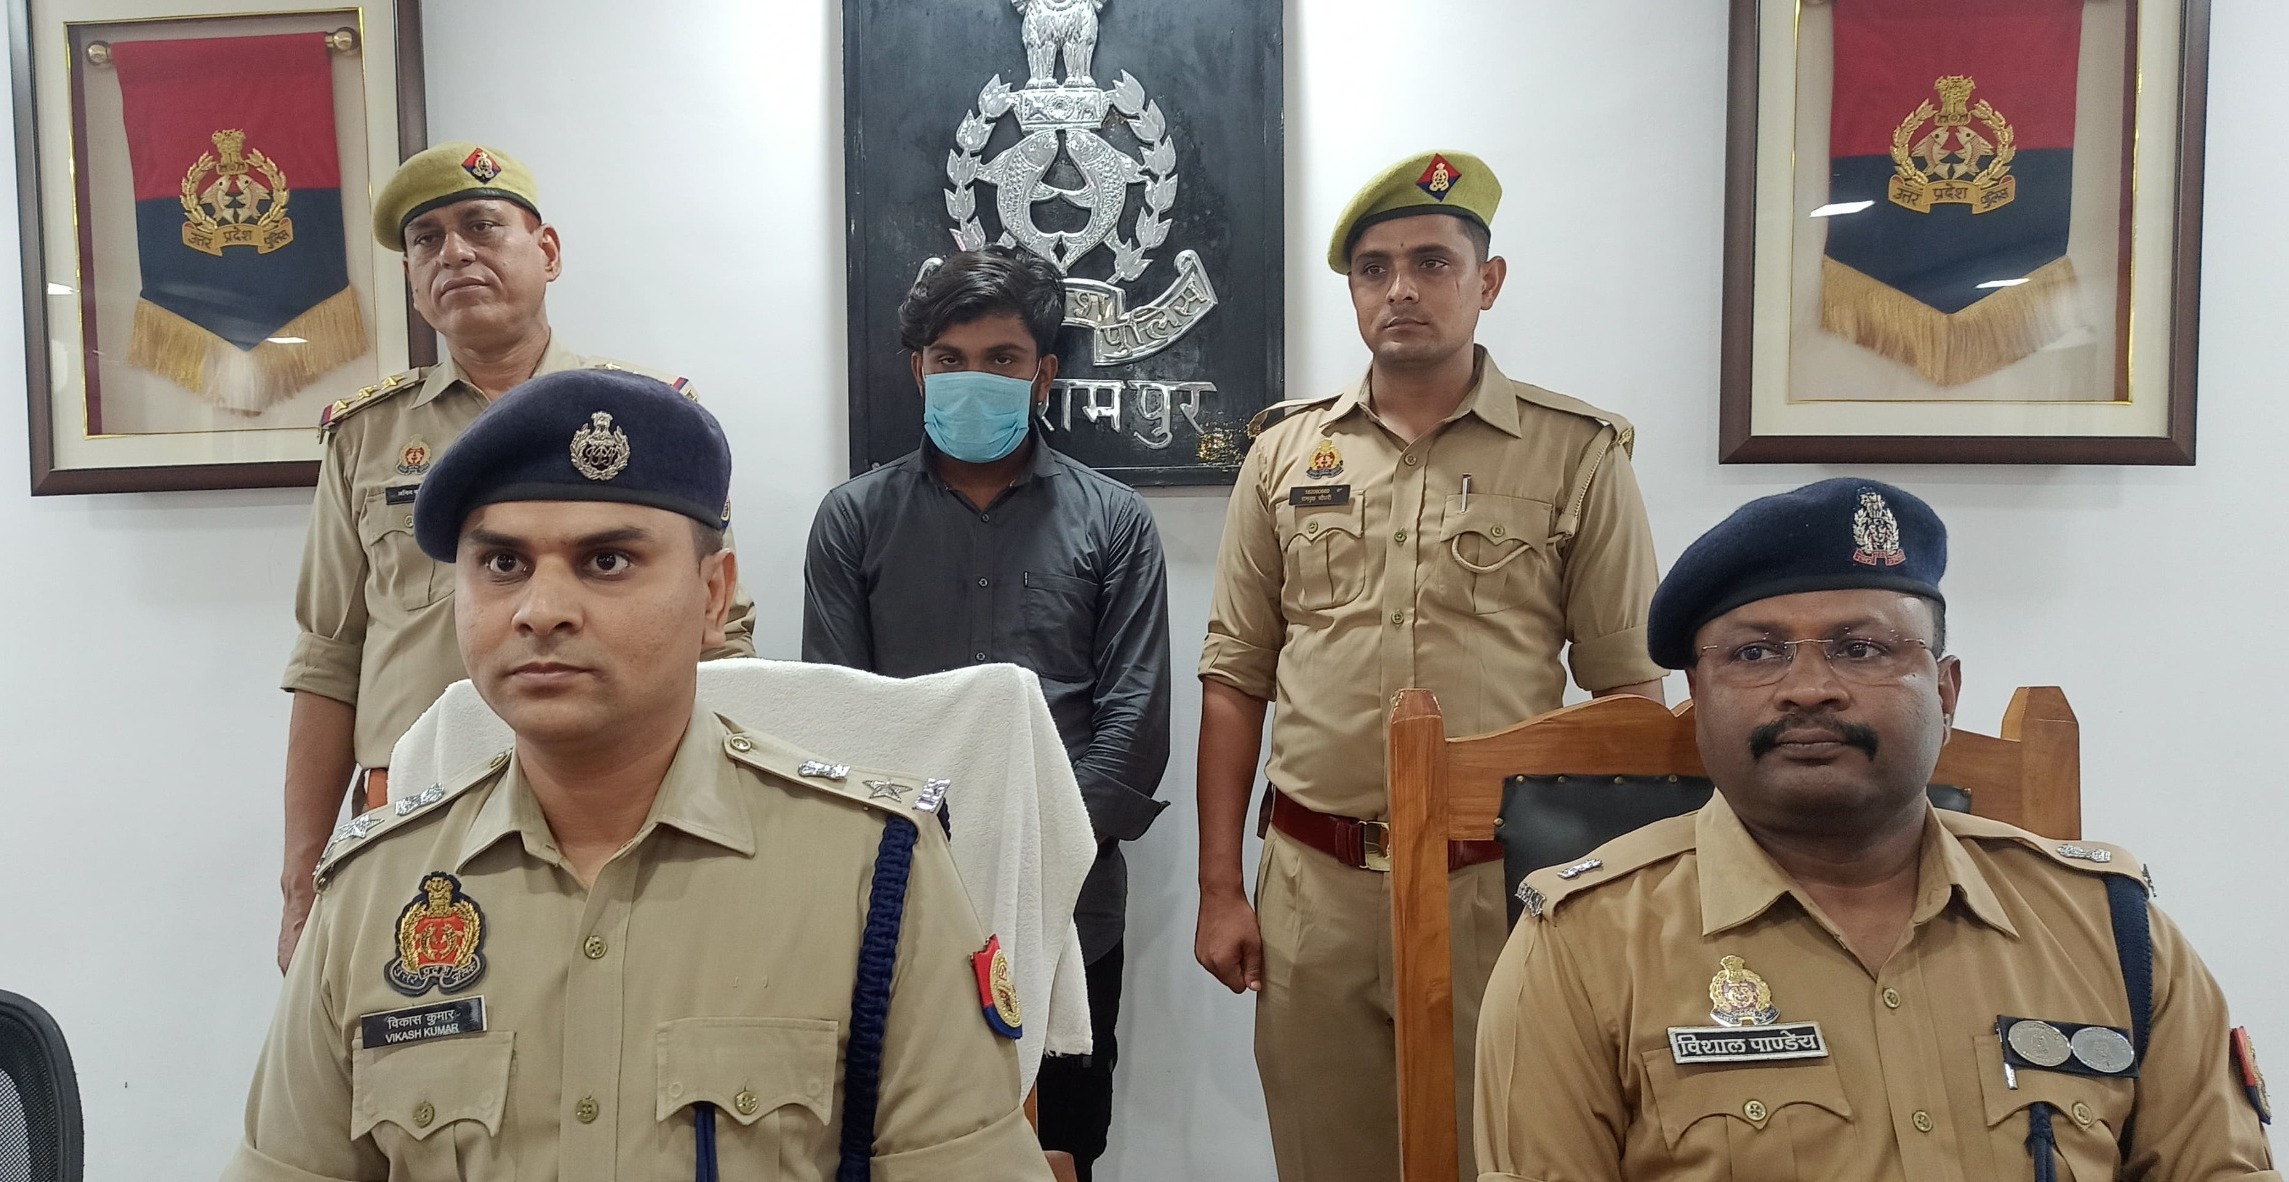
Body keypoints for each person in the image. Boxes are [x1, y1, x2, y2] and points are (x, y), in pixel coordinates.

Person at [227, 370, 1052, 1182]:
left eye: (607, 561)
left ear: (712, 597)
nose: (540, 610)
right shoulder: (371, 891)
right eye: (503, 564)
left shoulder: (872, 873)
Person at [1476, 478, 2279, 1180]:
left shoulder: (2108, 926)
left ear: (1946, 691)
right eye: (1755, 654)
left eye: (1860, 649)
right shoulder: (1583, 942)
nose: (1808, 689)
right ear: (1699, 696)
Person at [1193, 150, 1667, 1182]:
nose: (1400, 288)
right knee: (1325, 1160)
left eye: (1431, 263)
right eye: (1373, 269)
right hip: (1315, 889)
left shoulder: (1575, 453)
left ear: (1486, 282)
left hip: (1498, 886)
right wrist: (1219, 887)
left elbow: (1629, 697)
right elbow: (1235, 679)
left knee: (1506, 1156)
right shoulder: (1282, 455)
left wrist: (1620, 894)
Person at [275, 141, 756, 972]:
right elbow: (328, 657)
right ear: (412, 278)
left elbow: (720, 638)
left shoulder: (643, 419)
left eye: (482, 225)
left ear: (548, 251)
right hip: (410, 802)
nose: (454, 253)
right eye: (426, 239)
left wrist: (732, 816)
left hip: (618, 800)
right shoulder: (366, 435)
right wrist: (300, 884)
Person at [802, 245, 1171, 1182]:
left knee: (1057, 1153)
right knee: (899, 1147)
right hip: (895, 895)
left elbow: (1133, 725)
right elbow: (835, 720)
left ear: (1042, 374)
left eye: (1001, 358)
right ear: (917, 369)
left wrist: (1033, 860)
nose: (974, 376)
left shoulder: (1114, 520)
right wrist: (931, 864)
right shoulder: (852, 519)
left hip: (1069, 902)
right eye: (951, 358)